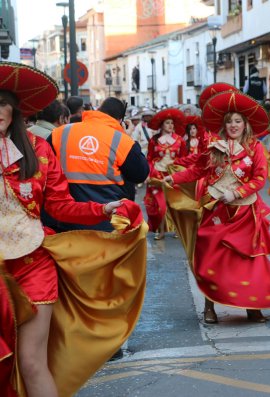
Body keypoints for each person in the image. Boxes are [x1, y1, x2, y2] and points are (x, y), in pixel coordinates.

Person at [0, 62, 124, 397]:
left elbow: (59, 206)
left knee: (31, 362)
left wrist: (102, 208)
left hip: (33, 266)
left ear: (15, 109)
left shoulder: (39, 152)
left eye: (2, 102)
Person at [164, 90, 270, 324]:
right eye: (229, 121)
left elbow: (260, 179)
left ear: (246, 124)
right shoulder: (215, 146)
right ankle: (209, 307)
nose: (233, 125)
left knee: (250, 260)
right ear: (224, 124)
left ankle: (253, 306)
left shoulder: (255, 149)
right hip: (217, 210)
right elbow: (198, 170)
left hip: (244, 212)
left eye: (238, 121)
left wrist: (236, 192)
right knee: (211, 258)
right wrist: (175, 179)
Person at [47, 97, 149, 231]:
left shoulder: (60, 133)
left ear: (99, 110)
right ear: (120, 120)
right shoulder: (122, 140)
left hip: (65, 221)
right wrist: (127, 137)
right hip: (108, 221)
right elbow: (140, 174)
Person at [144, 108, 187, 239]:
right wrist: (147, 174)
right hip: (157, 175)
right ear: (161, 125)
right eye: (167, 123)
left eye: (172, 123)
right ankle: (161, 230)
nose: (170, 126)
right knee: (160, 206)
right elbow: (149, 158)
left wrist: (183, 174)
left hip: (173, 176)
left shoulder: (180, 140)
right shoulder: (154, 140)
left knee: (175, 204)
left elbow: (183, 159)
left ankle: (177, 230)